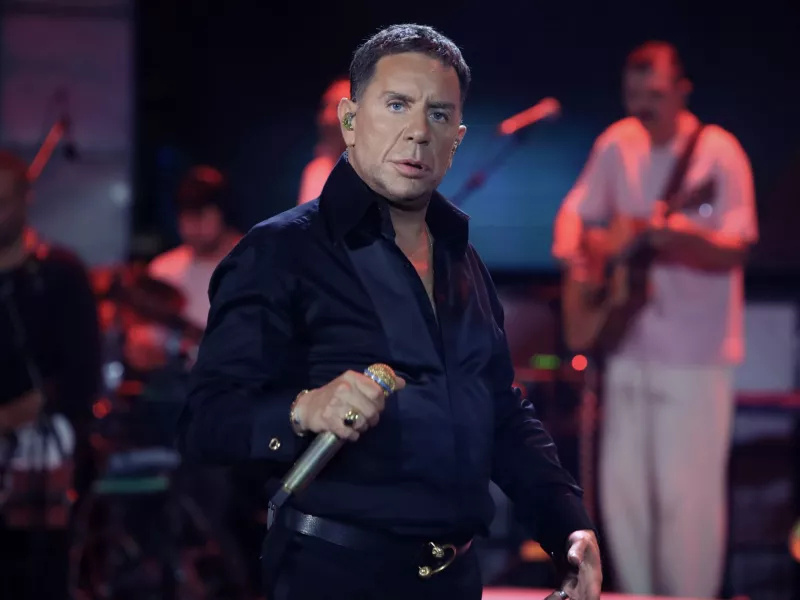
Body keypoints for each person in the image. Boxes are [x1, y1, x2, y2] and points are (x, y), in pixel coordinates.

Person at [179, 24, 602, 600]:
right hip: (335, 577)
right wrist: (304, 409)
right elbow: (207, 422)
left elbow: (502, 414)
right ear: (350, 120)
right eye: (397, 105)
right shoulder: (279, 253)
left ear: (457, 138)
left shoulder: (462, 260)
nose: (418, 132)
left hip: (456, 580)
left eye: (438, 114)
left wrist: (568, 526)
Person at [553, 41, 757, 597]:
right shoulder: (616, 143)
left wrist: (671, 236)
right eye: (633, 94)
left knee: (685, 502)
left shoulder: (718, 153)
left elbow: (738, 244)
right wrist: (585, 261)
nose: (643, 106)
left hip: (695, 357)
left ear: (682, 91)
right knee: (624, 501)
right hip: (626, 348)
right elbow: (574, 214)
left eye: (655, 95)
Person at [0, 150, 102, 599]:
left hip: (44, 457)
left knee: (39, 576)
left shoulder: (60, 273)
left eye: (3, 201)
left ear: (25, 199)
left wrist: (11, 417)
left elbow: (82, 375)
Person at [125, 165, 241, 371]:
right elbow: (145, 341)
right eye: (186, 216)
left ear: (224, 213)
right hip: (176, 385)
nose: (192, 226)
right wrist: (142, 348)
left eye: (201, 215)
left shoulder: (255, 265)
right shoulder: (163, 270)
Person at [297, 77, 351, 205]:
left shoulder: (379, 174)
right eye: (325, 107)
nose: (327, 118)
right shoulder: (316, 171)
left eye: (338, 108)